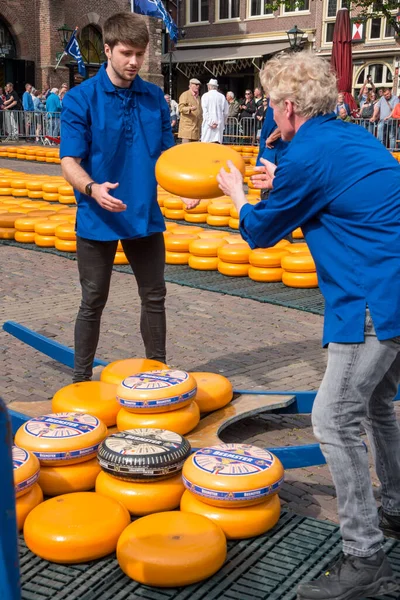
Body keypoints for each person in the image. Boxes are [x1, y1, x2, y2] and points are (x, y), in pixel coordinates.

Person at [217, 51, 400, 600]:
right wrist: (280, 160)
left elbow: (260, 232)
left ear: (288, 106)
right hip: (393, 289)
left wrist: (240, 197)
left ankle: (365, 559)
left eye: (274, 107)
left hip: (371, 297)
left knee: (332, 418)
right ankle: (393, 506)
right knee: (375, 406)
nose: (270, 116)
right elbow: (327, 192)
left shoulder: (309, 155)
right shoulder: (350, 139)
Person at [60, 12, 199, 384]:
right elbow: (69, 162)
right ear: (107, 50)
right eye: (126, 53)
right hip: (97, 215)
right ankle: (80, 380)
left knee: (155, 295)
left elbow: (168, 158)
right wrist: (92, 189)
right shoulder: (80, 99)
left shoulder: (154, 97)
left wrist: (186, 189)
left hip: (143, 215)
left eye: (140, 53)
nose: (134, 61)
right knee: (93, 301)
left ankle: (159, 371)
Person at [200, 78, 229, 144]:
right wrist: (222, 122)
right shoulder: (222, 97)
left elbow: (205, 112)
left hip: (208, 125)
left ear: (209, 86)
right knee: (217, 145)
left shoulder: (205, 96)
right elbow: (226, 112)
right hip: (219, 125)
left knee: (206, 145)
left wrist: (210, 122)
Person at [178, 78, 202, 143]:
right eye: (196, 84)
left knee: (195, 150)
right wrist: (189, 109)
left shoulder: (198, 97)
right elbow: (180, 108)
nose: (198, 86)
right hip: (187, 129)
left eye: (198, 85)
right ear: (190, 85)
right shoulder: (185, 94)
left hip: (196, 129)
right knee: (186, 150)